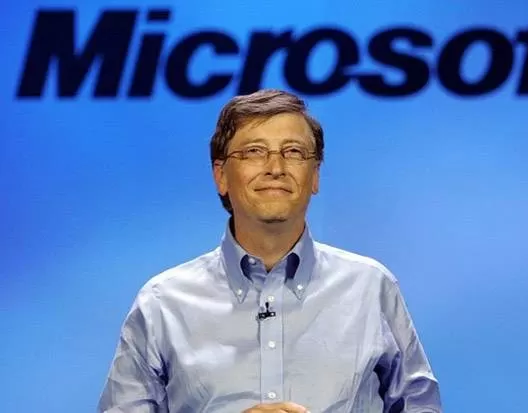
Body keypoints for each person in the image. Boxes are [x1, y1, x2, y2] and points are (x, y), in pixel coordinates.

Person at [98, 89, 442, 413]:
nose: (275, 168)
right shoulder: (163, 303)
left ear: (315, 175)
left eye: (293, 152)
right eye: (253, 152)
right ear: (221, 175)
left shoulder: (370, 287)